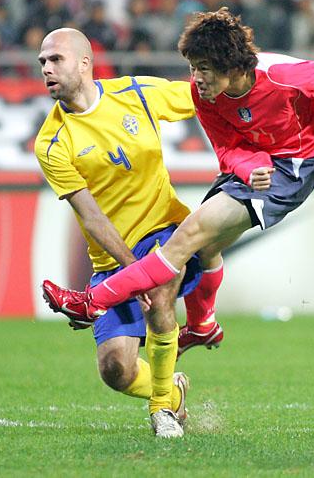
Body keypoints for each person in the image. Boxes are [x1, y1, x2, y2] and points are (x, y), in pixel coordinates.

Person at [43, 8, 314, 376]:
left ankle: (93, 301)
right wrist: (250, 167)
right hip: (256, 166)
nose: (196, 78)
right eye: (193, 67)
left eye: (204, 69)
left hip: (293, 167)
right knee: (205, 246)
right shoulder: (204, 96)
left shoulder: (283, 74)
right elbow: (227, 149)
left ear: (232, 67)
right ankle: (202, 326)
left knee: (189, 234)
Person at [35, 28, 224, 438]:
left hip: (165, 228)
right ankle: (172, 390)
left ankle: (162, 411)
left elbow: (205, 96)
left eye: (55, 60)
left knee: (160, 288)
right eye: (42, 63)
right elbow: (91, 217)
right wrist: (130, 270)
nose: (47, 69)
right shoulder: (51, 142)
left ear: (84, 63)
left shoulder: (136, 93)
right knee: (115, 370)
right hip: (113, 258)